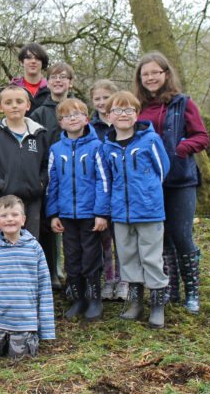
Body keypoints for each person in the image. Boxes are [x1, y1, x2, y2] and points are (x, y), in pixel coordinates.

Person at [134, 52, 210, 314]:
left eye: (155, 72)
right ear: (140, 79)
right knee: (161, 237)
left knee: (181, 235)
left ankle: (193, 293)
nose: (151, 78)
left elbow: (202, 136)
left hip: (180, 180)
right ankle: (170, 290)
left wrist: (181, 148)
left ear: (165, 74)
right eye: (145, 74)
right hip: (149, 183)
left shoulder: (182, 103)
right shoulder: (138, 107)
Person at [103, 91, 171, 329]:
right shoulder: (107, 146)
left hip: (149, 210)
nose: (123, 115)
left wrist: (148, 193)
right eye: (118, 110)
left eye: (129, 110)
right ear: (109, 116)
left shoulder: (150, 140)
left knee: (151, 256)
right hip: (121, 213)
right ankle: (135, 302)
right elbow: (107, 180)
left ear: (136, 114)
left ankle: (157, 305)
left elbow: (163, 169)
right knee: (128, 256)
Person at [46, 98, 109, 321]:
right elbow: (52, 183)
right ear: (60, 123)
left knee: (91, 256)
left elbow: (103, 181)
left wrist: (101, 213)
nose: (72, 118)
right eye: (66, 116)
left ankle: (94, 298)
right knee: (71, 257)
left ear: (86, 118)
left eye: (77, 114)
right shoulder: (56, 150)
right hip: (66, 215)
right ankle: (78, 298)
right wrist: (53, 213)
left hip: (90, 214)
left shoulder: (97, 147)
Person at [0, 195, 55, 358]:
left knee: (21, 358)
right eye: (4, 215)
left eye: (14, 215)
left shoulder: (34, 248)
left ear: (23, 219)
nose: (9, 219)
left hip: (24, 322)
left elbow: (44, 290)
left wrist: (47, 331)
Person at [0, 84, 49, 240]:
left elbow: (46, 164)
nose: (14, 106)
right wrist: (1, 185)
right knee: (6, 242)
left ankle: (29, 266)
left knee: (30, 241)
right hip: (4, 200)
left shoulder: (39, 134)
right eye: (8, 102)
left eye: (19, 101)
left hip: (32, 200)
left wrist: (40, 183)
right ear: (1, 107)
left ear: (28, 105)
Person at [29, 62, 76, 290]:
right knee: (48, 227)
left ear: (70, 82)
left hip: (75, 180)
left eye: (63, 77)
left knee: (73, 227)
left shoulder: (77, 110)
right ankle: (51, 274)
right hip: (47, 179)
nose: (58, 80)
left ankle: (74, 276)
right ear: (48, 81)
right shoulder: (39, 112)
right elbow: (31, 145)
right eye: (54, 77)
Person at [89, 79, 128, 301]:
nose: (102, 102)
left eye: (106, 98)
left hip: (122, 191)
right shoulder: (91, 128)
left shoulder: (123, 122)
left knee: (122, 238)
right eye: (98, 99)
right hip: (100, 192)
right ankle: (109, 278)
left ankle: (124, 280)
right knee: (104, 239)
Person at [10, 42, 51, 115]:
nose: (33, 61)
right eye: (29, 58)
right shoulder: (12, 89)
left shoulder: (51, 88)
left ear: (42, 63)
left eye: (37, 58)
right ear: (21, 62)